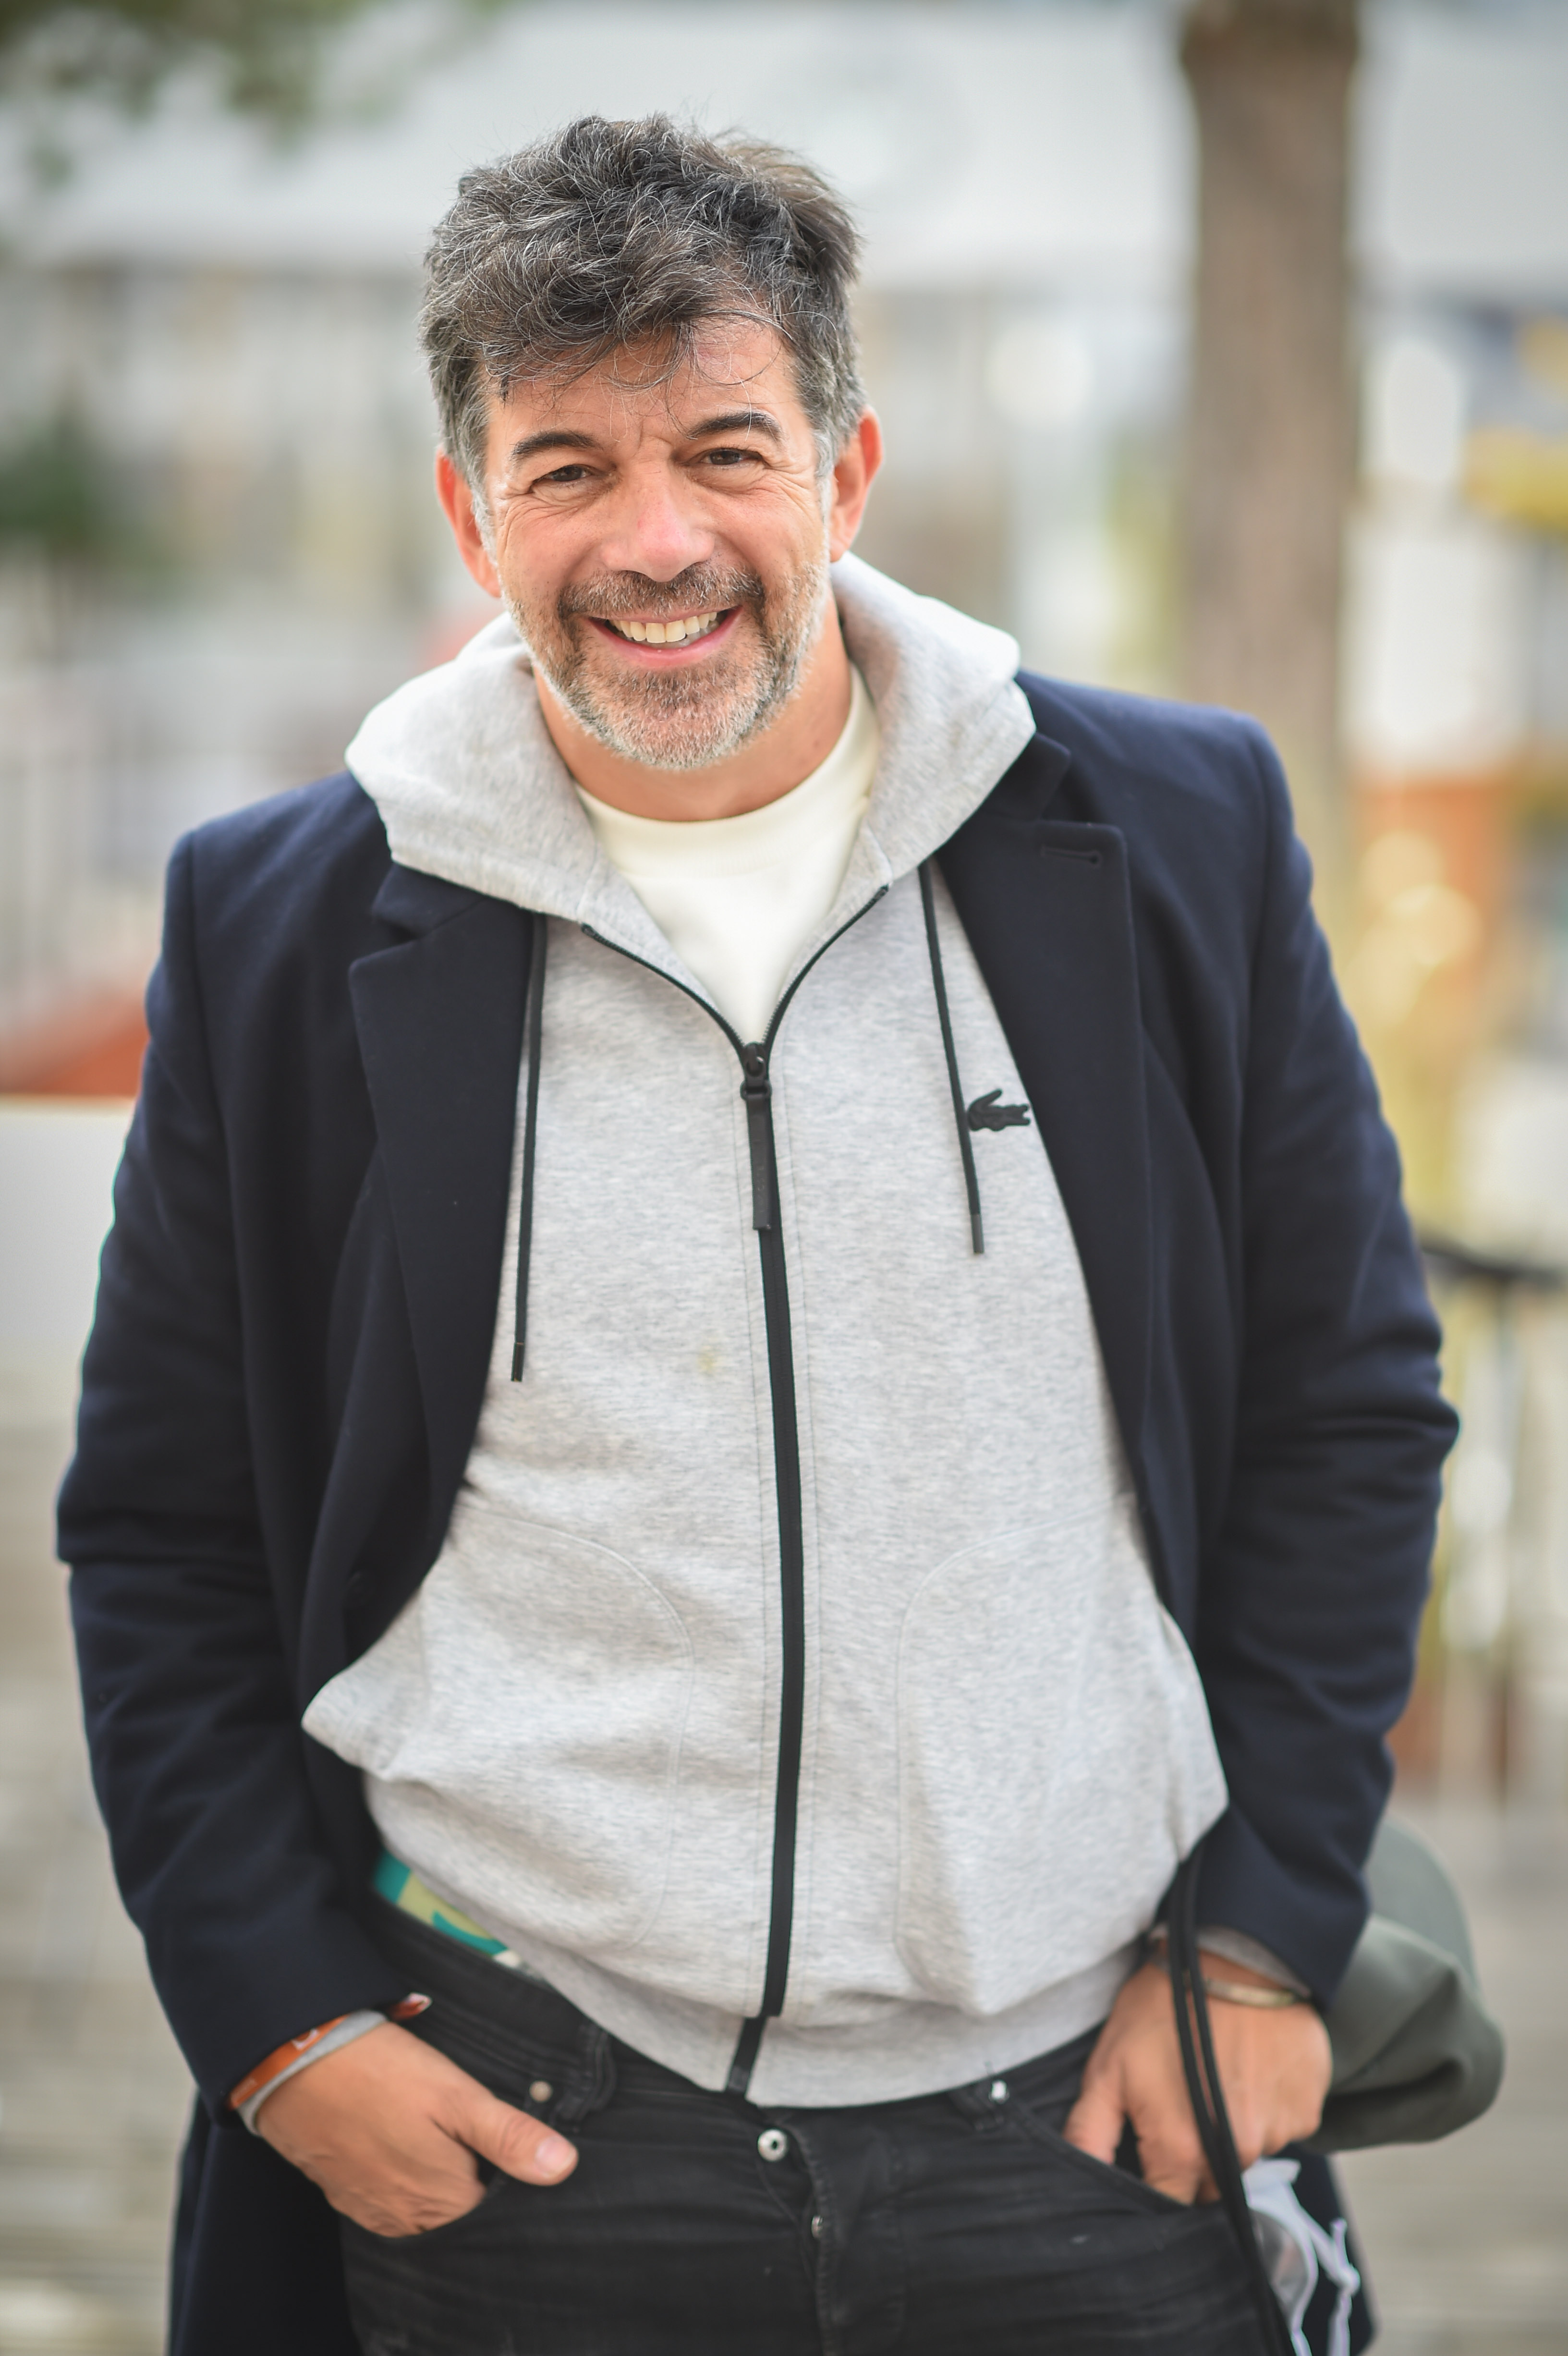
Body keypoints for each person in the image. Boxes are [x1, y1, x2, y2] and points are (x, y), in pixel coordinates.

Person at [60, 115, 1455, 2356]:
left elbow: (1347, 1405)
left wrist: (1267, 1941)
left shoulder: (1169, 832)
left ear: (846, 469)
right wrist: (282, 2028)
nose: (658, 540)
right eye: (567, 469)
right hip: (518, 2139)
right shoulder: (288, 917)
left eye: (725, 450)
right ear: (466, 508)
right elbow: (160, 1531)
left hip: (1088, 2129)